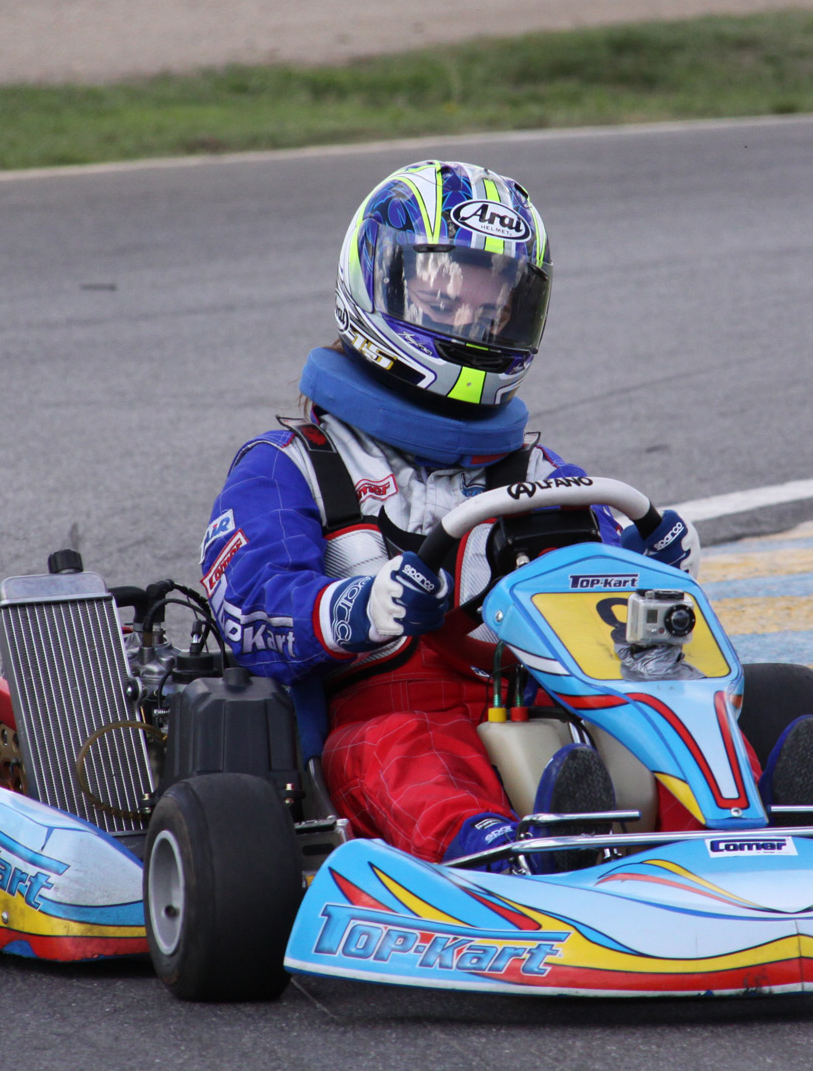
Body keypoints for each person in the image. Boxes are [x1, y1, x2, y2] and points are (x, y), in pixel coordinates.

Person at [197, 160, 702, 866]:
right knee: (412, 751)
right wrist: (358, 607)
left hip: (539, 711)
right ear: (377, 282)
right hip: (378, 715)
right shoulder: (292, 466)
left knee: (657, 717)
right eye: (445, 295)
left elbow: (616, 622)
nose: (471, 317)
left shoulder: (540, 474)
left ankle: (742, 828)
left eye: (493, 302)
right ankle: (499, 858)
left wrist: (658, 577)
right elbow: (251, 610)